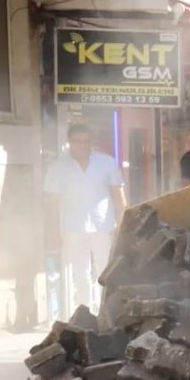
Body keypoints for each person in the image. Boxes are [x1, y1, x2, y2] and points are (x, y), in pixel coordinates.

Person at [43, 123, 127, 313]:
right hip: (72, 228)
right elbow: (51, 203)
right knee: (79, 273)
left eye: (85, 141)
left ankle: (105, 312)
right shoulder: (58, 167)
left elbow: (118, 196)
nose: (81, 145)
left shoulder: (106, 163)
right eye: (77, 141)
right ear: (69, 143)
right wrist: (53, 232)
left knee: (105, 271)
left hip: (103, 226)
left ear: (91, 143)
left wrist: (123, 226)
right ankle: (85, 313)